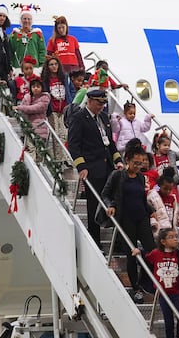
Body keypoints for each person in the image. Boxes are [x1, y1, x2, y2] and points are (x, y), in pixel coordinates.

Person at [67, 89, 123, 248]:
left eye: (103, 103)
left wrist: (118, 160)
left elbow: (110, 143)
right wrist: (81, 166)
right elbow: (74, 145)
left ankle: (118, 241)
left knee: (115, 202)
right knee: (94, 205)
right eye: (99, 103)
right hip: (92, 168)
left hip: (108, 168)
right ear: (90, 101)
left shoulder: (104, 118)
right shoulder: (78, 118)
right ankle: (94, 241)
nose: (101, 106)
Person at [103, 140, 155, 304]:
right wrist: (110, 205)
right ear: (127, 160)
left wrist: (152, 211)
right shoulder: (117, 175)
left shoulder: (140, 177)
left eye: (141, 163)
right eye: (135, 163)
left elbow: (140, 198)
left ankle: (146, 282)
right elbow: (105, 194)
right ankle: (136, 288)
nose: (138, 166)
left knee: (152, 252)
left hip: (142, 218)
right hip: (126, 220)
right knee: (131, 256)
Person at [144, 228, 179, 338]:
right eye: (171, 237)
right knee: (168, 320)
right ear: (163, 241)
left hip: (176, 292)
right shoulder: (156, 253)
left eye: (176, 236)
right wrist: (138, 252)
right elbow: (145, 258)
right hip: (163, 293)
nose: (175, 239)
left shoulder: (178, 254)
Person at [13, 77, 50, 162]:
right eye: (33, 87)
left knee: (39, 151)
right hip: (30, 128)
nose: (35, 88)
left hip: (40, 128)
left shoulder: (45, 98)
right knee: (31, 149)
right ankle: (33, 165)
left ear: (42, 88)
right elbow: (25, 111)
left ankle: (37, 167)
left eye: (38, 86)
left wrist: (20, 107)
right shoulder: (28, 97)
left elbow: (34, 108)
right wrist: (26, 100)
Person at [41, 56, 69, 162]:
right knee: (56, 133)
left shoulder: (64, 77)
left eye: (56, 64)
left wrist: (69, 104)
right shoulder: (46, 80)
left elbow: (68, 91)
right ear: (47, 67)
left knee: (65, 134)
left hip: (64, 108)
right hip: (52, 109)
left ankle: (65, 157)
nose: (54, 66)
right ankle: (58, 158)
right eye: (51, 64)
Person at [148, 167, 179, 236]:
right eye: (165, 189)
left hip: (169, 229)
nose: (168, 191)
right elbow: (154, 192)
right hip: (159, 229)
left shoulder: (172, 198)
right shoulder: (154, 196)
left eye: (170, 189)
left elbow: (177, 213)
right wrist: (153, 223)